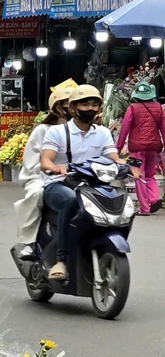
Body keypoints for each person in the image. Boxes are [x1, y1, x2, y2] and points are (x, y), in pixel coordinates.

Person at [39, 85, 123, 280]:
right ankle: (61, 260)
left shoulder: (102, 133)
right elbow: (45, 161)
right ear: (73, 109)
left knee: (117, 199)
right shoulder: (58, 132)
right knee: (69, 200)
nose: (90, 109)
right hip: (58, 184)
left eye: (94, 104)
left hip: (92, 185)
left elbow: (114, 158)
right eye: (84, 104)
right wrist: (55, 167)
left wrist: (127, 165)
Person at [14, 80, 75, 259]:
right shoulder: (43, 130)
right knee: (37, 194)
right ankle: (28, 242)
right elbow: (32, 163)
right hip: (41, 177)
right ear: (57, 107)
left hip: (73, 177)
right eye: (68, 105)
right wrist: (51, 170)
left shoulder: (85, 130)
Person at [116, 82, 165, 215]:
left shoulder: (133, 108)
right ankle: (154, 197)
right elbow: (164, 128)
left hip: (137, 148)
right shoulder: (158, 108)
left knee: (139, 175)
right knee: (150, 174)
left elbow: (124, 129)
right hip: (153, 147)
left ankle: (145, 208)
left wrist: (118, 147)